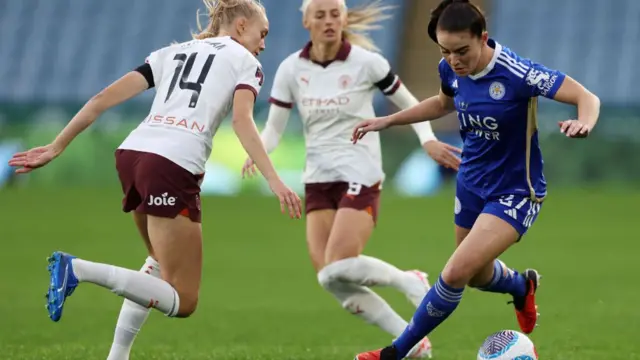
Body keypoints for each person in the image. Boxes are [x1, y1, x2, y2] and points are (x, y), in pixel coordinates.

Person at [8, 0, 302, 359]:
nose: (264, 43)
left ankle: (117, 356)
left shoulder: (171, 52)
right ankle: (78, 269)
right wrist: (274, 179)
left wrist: (57, 145)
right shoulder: (246, 62)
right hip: (172, 163)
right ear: (241, 26)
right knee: (184, 300)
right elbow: (242, 120)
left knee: (157, 262)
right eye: (263, 33)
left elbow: (102, 98)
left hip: (133, 155)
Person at [351, 0, 600, 359]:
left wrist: (584, 122)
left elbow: (585, 97)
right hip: (470, 182)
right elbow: (442, 103)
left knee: (453, 273)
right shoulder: (450, 68)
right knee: (476, 275)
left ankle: (395, 352)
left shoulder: (517, 74)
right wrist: (388, 120)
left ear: (483, 38)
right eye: (446, 51)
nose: (454, 60)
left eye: (462, 51)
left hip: (514, 191)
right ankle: (520, 285)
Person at [241, 0, 462, 358]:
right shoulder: (290, 69)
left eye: (335, 14)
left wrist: (428, 139)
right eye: (321, 15)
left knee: (340, 263)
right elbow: (273, 130)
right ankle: (413, 342)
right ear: (306, 21)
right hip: (318, 180)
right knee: (331, 277)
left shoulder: (367, 63)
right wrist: (258, 153)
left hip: (360, 172)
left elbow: (411, 105)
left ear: (343, 19)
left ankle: (408, 281)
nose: (329, 21)